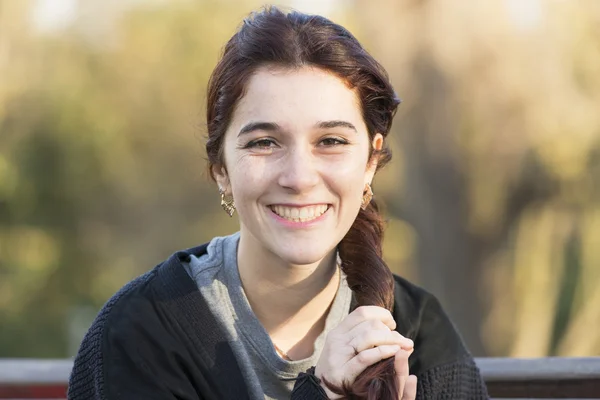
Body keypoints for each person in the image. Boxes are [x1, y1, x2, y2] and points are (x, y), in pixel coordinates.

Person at [68, 6, 489, 400]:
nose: (299, 178)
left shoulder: (418, 335)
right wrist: (322, 392)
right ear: (221, 169)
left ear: (370, 162)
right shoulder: (142, 331)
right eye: (264, 142)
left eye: (331, 141)